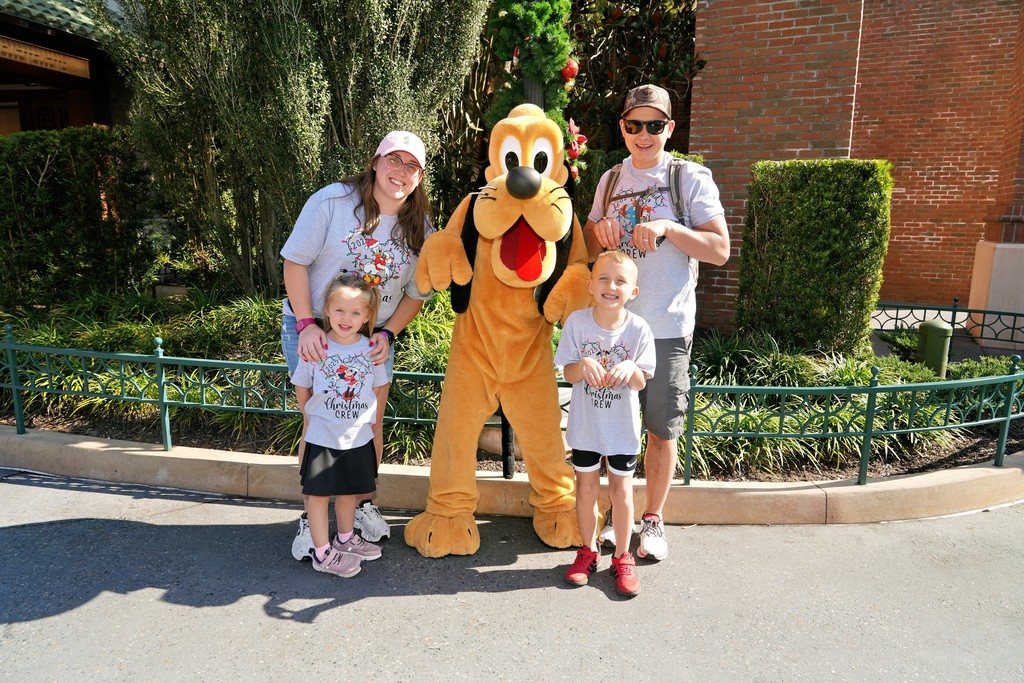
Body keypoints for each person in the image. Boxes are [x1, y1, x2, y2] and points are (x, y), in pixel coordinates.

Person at [584, 84, 731, 561]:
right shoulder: (608, 182)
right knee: (615, 429)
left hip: (665, 327)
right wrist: (599, 232)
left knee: (660, 428)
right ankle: (617, 519)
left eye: (653, 125)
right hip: (614, 329)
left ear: (669, 128)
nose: (642, 134)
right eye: (633, 125)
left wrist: (669, 228)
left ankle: (652, 518)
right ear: (623, 129)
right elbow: (590, 249)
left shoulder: (688, 178)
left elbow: (720, 250)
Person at [281, 131, 433, 558]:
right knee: (319, 424)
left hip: (371, 339)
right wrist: (309, 324)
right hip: (314, 329)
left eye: (411, 166)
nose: (400, 172)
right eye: (393, 160)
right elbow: (295, 263)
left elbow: (416, 294)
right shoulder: (332, 202)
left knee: (368, 425)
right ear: (376, 161)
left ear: (420, 177)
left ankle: (362, 504)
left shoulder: (419, 227)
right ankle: (310, 517)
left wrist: (386, 334)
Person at [555, 251, 656, 597]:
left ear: (633, 292)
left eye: (620, 281)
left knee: (621, 493)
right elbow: (567, 373)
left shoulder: (639, 329)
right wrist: (582, 365)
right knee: (585, 490)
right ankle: (587, 551)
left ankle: (622, 557)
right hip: (586, 428)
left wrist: (631, 370)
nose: (610, 286)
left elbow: (643, 380)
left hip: (621, 431)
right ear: (590, 285)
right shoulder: (577, 324)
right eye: (603, 279)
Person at [290, 275, 390, 577]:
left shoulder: (372, 350)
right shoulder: (316, 347)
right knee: (319, 496)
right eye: (340, 311)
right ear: (327, 310)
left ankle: (345, 539)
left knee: (349, 492)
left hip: (356, 439)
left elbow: (377, 390)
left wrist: (372, 432)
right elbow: (302, 387)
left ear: (368, 316)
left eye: (356, 312)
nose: (347, 319)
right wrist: (310, 424)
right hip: (323, 438)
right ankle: (323, 553)